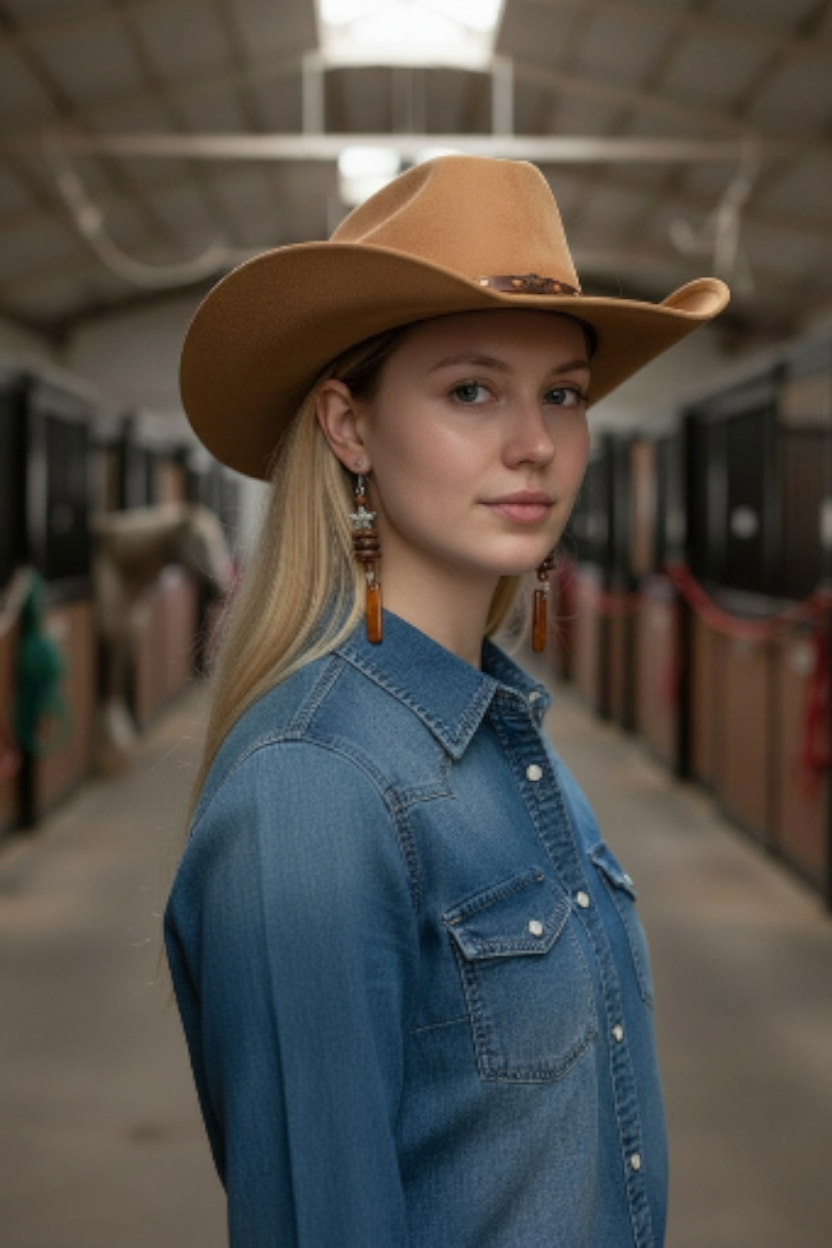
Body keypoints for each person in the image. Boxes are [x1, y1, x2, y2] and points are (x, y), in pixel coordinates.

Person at [164, 155, 728, 1248]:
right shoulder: (312, 794)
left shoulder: (507, 738)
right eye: (471, 390)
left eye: (561, 392)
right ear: (349, 427)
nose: (535, 443)